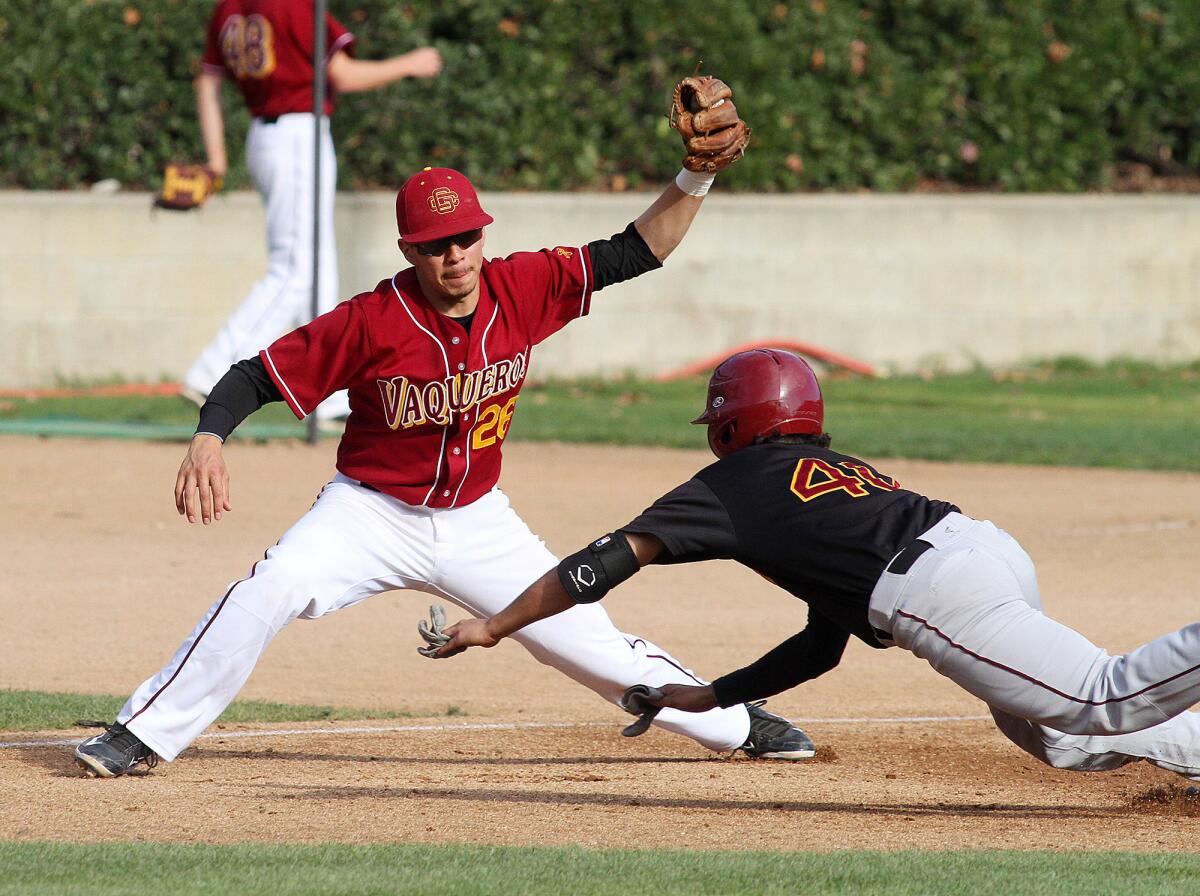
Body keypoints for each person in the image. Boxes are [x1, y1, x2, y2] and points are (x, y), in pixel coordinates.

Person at [73, 155, 815, 777]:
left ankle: (735, 724)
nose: (454, 254)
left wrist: (694, 177)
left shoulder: (524, 287)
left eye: (465, 237)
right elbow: (256, 375)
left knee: (586, 642)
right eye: (435, 244)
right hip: (368, 513)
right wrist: (210, 435)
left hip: (478, 521)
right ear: (409, 250)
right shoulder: (371, 320)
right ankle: (143, 732)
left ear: (482, 235)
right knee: (271, 588)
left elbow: (638, 249)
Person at [434, 348, 1200, 785]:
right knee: (1062, 739)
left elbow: (600, 565)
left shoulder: (730, 487)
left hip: (936, 590)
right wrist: (713, 696)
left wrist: (497, 624)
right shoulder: (829, 484)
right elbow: (820, 646)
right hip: (979, 549)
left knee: (1101, 699)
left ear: (734, 422)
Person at [180, 0, 443, 423]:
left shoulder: (229, 6)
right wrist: (408, 63)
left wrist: (217, 160)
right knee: (294, 270)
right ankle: (214, 372)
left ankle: (333, 397)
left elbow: (207, 82)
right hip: (297, 134)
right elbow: (341, 74)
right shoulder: (292, 5)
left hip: (264, 137)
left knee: (318, 269)